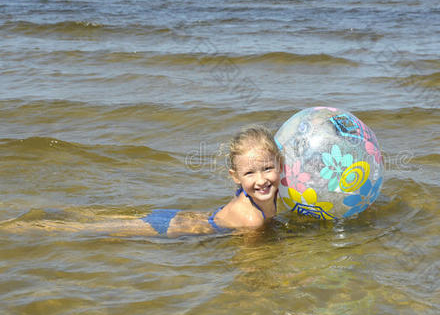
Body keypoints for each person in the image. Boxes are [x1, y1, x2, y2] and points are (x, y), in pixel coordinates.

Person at [2, 126, 283, 237]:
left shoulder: (266, 194)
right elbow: (249, 266)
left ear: (280, 165)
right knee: (87, 229)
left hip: (187, 218)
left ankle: (32, 219)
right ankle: (20, 226)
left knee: (94, 221)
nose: (261, 180)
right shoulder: (251, 219)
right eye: (249, 174)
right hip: (168, 228)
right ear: (235, 177)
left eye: (268, 168)